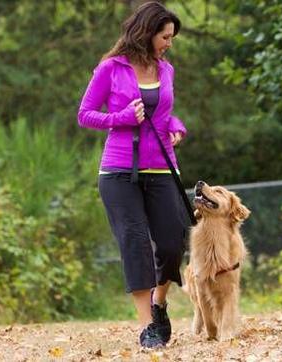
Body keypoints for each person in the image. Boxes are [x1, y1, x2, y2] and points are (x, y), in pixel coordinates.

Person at [77, 2, 188, 349]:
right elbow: (85, 114)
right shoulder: (111, 68)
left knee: (172, 241)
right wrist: (120, 117)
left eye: (171, 37)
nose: (168, 43)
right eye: (165, 36)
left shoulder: (165, 69)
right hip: (119, 170)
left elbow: (164, 114)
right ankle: (147, 328)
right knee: (135, 243)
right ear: (147, 32)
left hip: (161, 166)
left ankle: (159, 303)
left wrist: (177, 126)